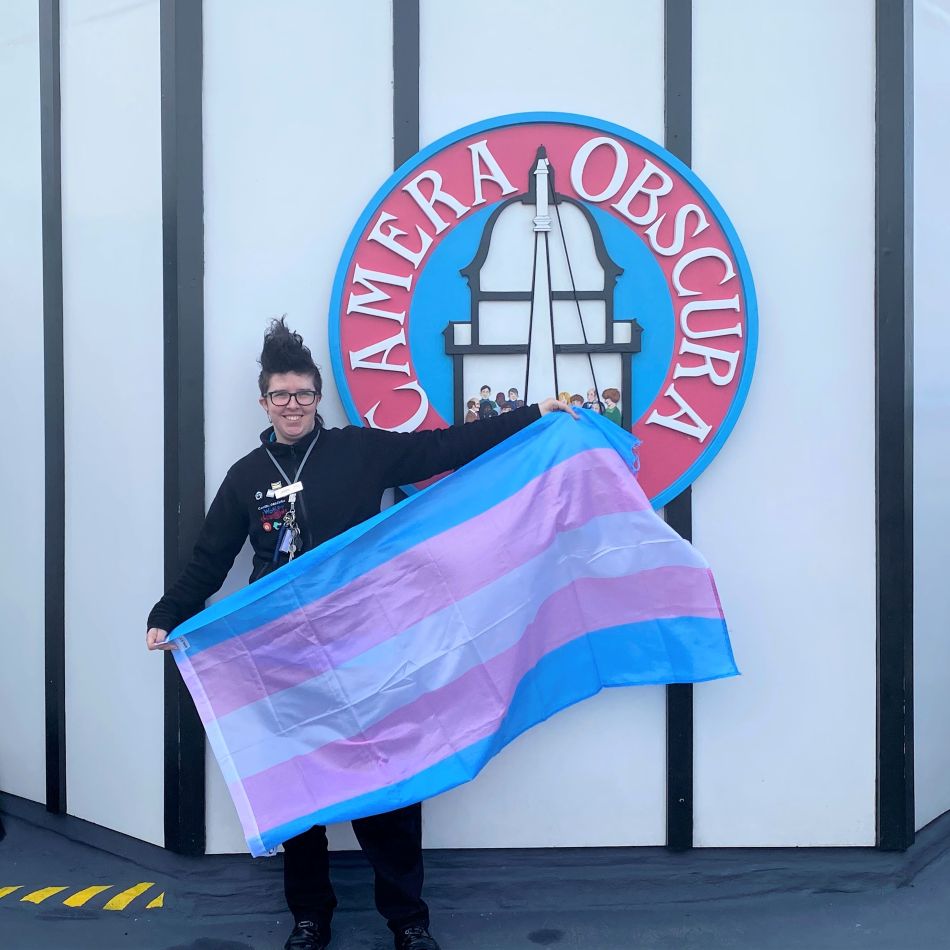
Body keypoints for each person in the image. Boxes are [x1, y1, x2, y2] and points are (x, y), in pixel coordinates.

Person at [146, 318, 574, 950]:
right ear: (263, 402)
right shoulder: (245, 476)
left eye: (303, 395)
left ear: (318, 397)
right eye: (280, 396)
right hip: (282, 656)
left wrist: (536, 414)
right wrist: (168, 613)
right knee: (300, 787)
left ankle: (408, 921)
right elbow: (211, 559)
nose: (292, 406)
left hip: (367, 647)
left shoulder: (360, 450)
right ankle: (309, 917)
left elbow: (444, 449)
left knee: (389, 780)